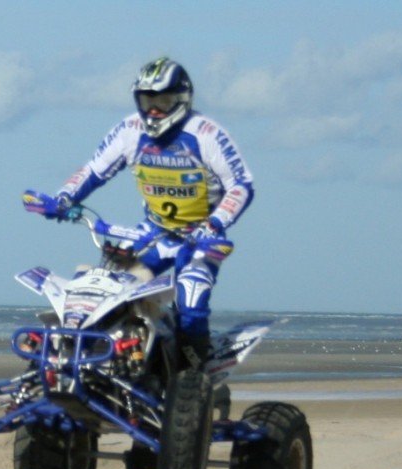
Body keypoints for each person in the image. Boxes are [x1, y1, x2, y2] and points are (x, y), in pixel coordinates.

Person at [52, 56, 254, 369]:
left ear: (182, 98)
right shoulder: (130, 130)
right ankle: (105, 363)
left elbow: (240, 185)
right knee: (111, 293)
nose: (154, 109)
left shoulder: (206, 134)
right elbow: (95, 169)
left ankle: (194, 377)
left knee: (191, 302)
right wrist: (64, 198)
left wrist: (214, 224)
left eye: (163, 99)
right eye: (147, 100)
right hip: (153, 233)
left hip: (200, 239)